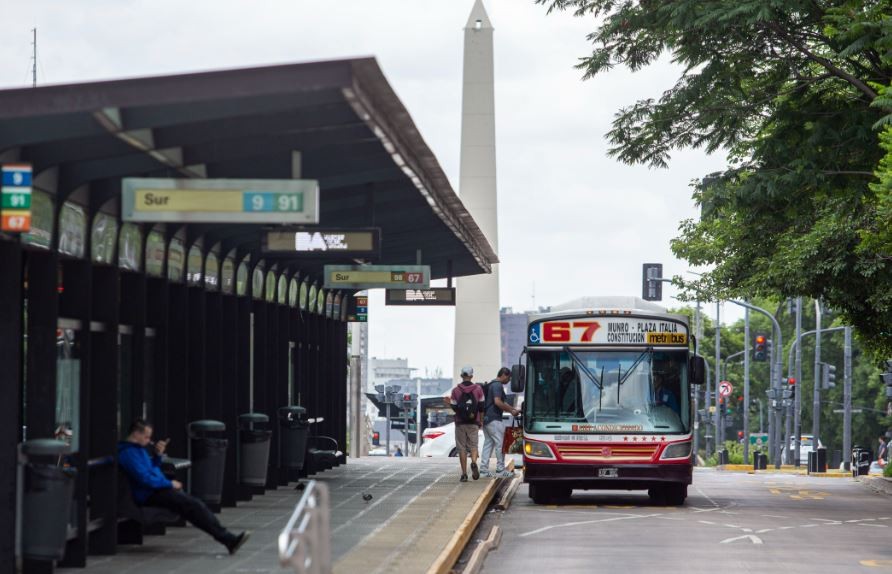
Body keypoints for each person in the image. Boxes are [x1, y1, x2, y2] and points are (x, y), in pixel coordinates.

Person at [118, 419, 250, 555]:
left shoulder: (137, 450)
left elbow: (150, 470)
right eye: (146, 436)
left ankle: (228, 539)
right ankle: (228, 539)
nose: (149, 440)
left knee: (193, 508)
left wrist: (157, 456)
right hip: (150, 494)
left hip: (155, 490)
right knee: (194, 506)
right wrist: (169, 483)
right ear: (135, 434)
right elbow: (144, 478)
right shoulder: (129, 453)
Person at [480, 367, 521, 478]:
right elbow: (498, 402)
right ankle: (500, 470)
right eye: (508, 378)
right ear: (504, 375)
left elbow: (501, 402)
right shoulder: (498, 385)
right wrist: (511, 410)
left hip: (487, 419)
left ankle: (483, 470)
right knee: (501, 444)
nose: (508, 381)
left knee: (488, 444)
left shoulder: (491, 384)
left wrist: (512, 410)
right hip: (494, 419)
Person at [450, 366, 485, 482]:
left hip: (460, 423)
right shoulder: (478, 389)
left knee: (462, 448)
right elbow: (481, 407)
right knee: (474, 446)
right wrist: (481, 421)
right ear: (471, 376)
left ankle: (464, 474)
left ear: (461, 376)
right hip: (473, 422)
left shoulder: (455, 390)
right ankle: (474, 462)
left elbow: (454, 407)